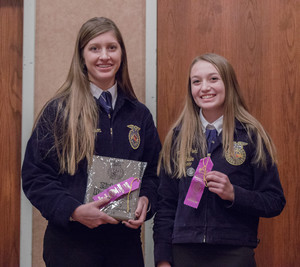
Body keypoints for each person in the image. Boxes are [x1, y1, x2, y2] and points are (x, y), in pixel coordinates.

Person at [22, 17, 161, 267]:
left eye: (112, 47)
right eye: (94, 48)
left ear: (121, 54)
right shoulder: (59, 111)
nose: (104, 56)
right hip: (70, 247)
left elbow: (153, 174)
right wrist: (72, 211)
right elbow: (36, 177)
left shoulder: (139, 115)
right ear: (82, 56)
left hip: (124, 247)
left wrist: (145, 201)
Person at [153, 53, 285, 267]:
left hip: (234, 250)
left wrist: (234, 194)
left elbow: (274, 201)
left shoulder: (251, 135)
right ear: (191, 89)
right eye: (196, 81)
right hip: (185, 251)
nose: (205, 87)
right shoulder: (178, 138)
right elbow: (166, 205)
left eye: (213, 79)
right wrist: (163, 259)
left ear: (229, 84)